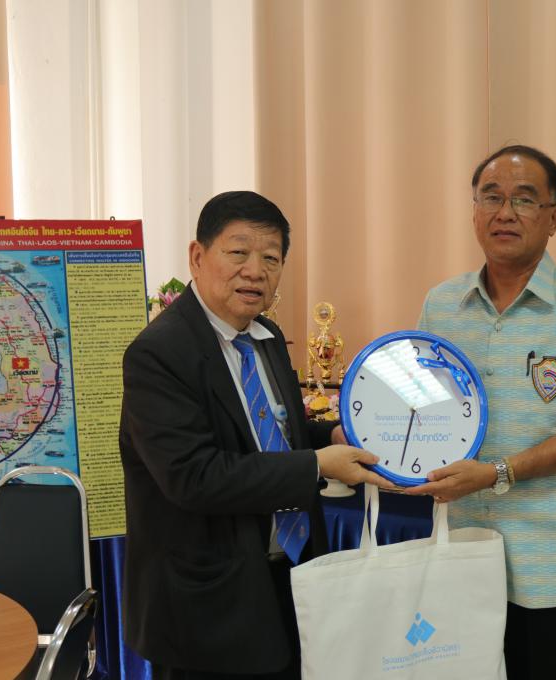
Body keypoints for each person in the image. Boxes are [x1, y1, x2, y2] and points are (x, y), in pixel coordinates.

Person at [119, 191, 391, 680]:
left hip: (288, 579)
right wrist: (317, 466)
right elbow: (194, 476)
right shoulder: (159, 353)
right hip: (206, 606)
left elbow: (275, 434)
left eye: (271, 258)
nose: (255, 271)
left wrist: (331, 433)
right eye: (238, 252)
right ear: (197, 257)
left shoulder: (265, 338)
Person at [406, 145, 556, 680]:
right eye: (491, 197)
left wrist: (496, 473)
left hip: (555, 572)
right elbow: (423, 413)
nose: (505, 212)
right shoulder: (441, 304)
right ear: (474, 211)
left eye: (525, 199)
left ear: (554, 217)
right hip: (462, 555)